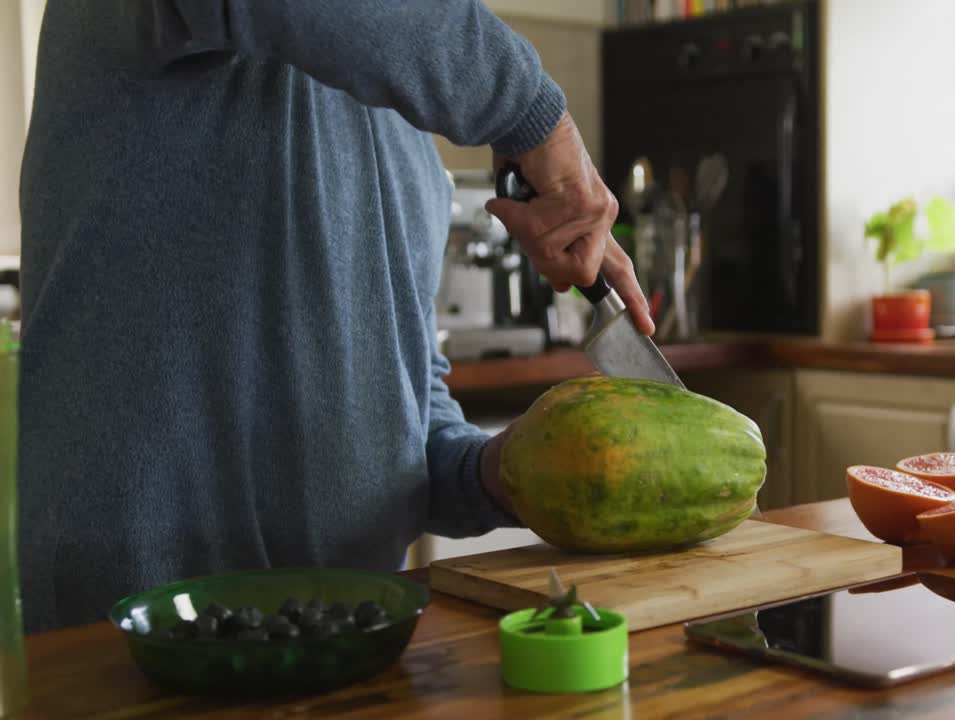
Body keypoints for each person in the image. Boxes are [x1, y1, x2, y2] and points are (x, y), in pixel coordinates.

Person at [17, 1, 652, 632]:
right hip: (138, 627)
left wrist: (502, 472)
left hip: (344, 632)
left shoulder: (408, 138)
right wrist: (534, 114)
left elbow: (406, 406)